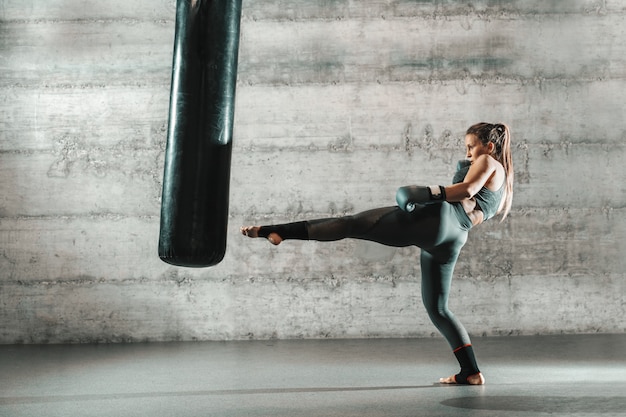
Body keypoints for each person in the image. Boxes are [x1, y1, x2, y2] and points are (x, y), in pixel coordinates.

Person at [241, 122, 514, 385]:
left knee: (352, 224)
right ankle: (470, 372)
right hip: (453, 238)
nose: (467, 153)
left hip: (440, 220)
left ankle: (277, 231)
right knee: (438, 309)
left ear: (489, 146)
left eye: (471, 147)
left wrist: (425, 192)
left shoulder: (489, 162)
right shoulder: (503, 187)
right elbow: (475, 212)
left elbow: (466, 190)